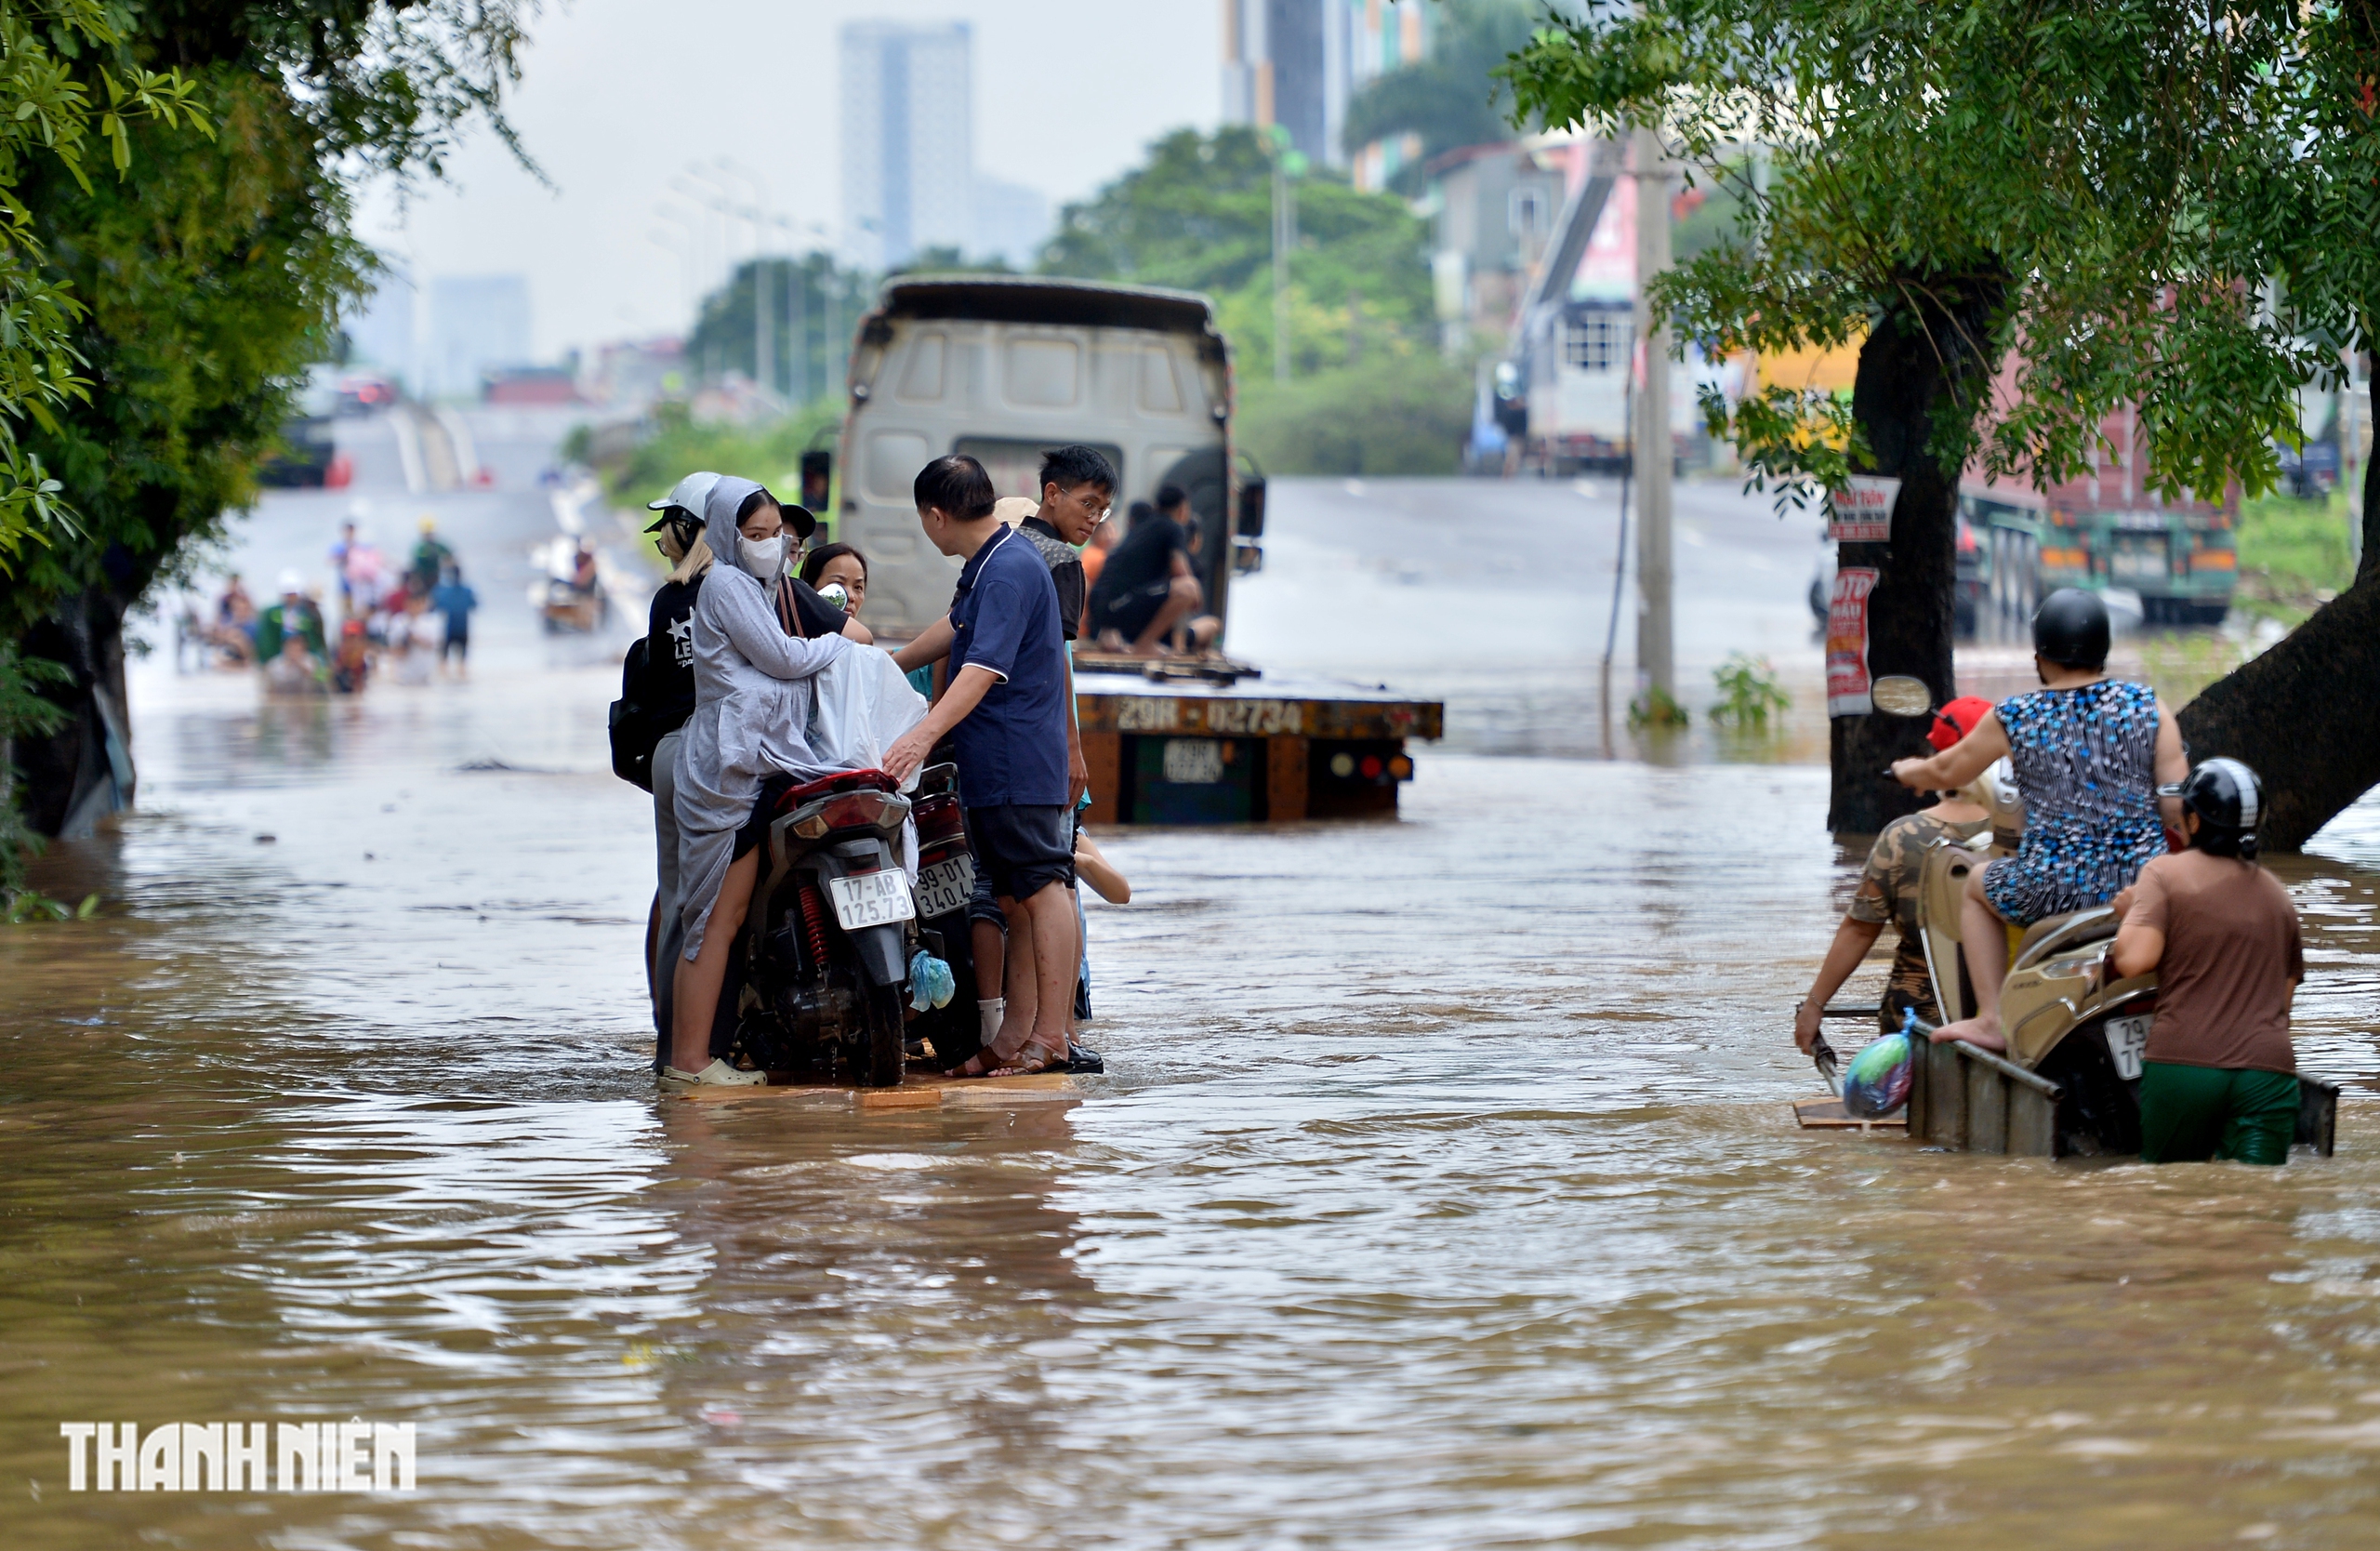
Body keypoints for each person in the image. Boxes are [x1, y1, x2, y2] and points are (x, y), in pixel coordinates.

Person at [1890, 589, 2187, 1052]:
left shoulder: (2015, 714)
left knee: (1975, 885)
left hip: (2050, 888)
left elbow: (1948, 771)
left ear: (2039, 657)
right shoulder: (2148, 706)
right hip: (2142, 886)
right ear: (2103, 652)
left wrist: (1910, 771)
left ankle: (1991, 1019)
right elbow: (2176, 805)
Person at [884, 454, 1077, 1076]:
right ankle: (1012, 1038)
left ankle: (1052, 1037)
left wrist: (922, 735)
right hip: (994, 761)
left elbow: (982, 667)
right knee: (1015, 897)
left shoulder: (1007, 570)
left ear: (935, 515)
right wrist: (885, 664)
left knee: (1043, 886)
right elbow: (955, 628)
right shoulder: (988, 563)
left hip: (1018, 758)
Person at [667, 476, 852, 1087]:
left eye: (777, 534)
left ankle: (699, 1057)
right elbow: (782, 658)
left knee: (730, 914)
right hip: (727, 774)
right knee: (713, 921)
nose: (771, 544)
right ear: (726, 535)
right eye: (756, 535)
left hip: (750, 765)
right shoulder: (726, 584)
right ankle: (691, 1061)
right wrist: (836, 647)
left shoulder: (758, 585)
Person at [2108, 758, 2304, 1164]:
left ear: (2195, 823)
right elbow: (2283, 1005)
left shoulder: (2165, 874)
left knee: (2173, 1199)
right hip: (2269, 1071)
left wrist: (2132, 915)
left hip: (2186, 1067)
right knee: (2258, 1204)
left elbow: (2134, 960)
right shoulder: (2278, 897)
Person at [1793, 696, 1996, 1055]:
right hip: (2011, 1014)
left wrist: (1814, 1005)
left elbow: (1859, 929)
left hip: (1917, 1022)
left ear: (1936, 755)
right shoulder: (2028, 832)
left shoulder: (1902, 837)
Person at [1086, 484, 1222, 656]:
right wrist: (1197, 598)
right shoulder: (1172, 527)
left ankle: (1125, 638)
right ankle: (1146, 644)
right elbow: (1181, 571)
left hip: (1104, 609)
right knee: (1188, 589)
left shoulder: (1145, 525)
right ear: (1183, 509)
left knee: (1174, 591)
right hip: (1117, 606)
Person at [253, 571, 326, 669]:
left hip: (304, 657)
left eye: (293, 594)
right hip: (278, 657)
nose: (290, 598)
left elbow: (315, 641)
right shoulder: (271, 614)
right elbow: (266, 641)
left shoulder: (308, 614)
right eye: (288, 594)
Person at [430, 563, 478, 679]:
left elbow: (434, 608)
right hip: (463, 628)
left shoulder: (442, 591)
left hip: (448, 629)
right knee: (462, 664)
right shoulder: (468, 591)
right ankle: (463, 689)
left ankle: (445, 690)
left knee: (443, 663)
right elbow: (474, 606)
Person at [409, 516, 453, 595]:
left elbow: (449, 557)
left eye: (429, 534)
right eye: (427, 534)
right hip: (423, 578)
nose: (428, 536)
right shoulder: (421, 547)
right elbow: (416, 563)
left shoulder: (437, 546)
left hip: (435, 577)